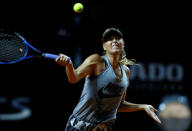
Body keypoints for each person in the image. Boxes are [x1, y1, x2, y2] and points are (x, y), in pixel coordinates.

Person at [56, 27, 161, 131]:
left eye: (118, 38)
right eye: (110, 39)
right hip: (80, 126)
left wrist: (143, 106)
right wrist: (69, 65)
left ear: (123, 44)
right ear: (104, 45)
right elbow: (73, 78)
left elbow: (118, 106)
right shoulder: (96, 61)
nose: (114, 41)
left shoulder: (126, 71)